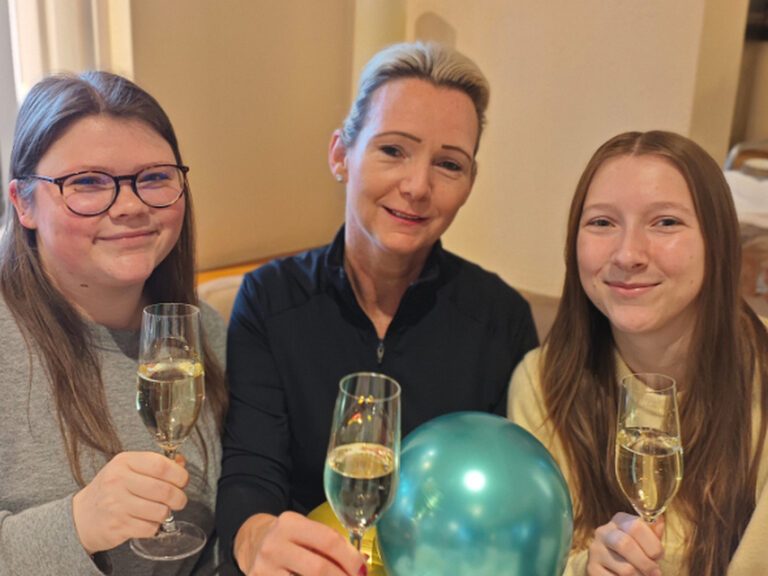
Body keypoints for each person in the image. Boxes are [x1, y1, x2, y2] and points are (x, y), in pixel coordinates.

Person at [217, 41, 538, 576]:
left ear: (469, 186)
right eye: (393, 150)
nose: (417, 187)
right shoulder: (269, 300)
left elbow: (512, 499)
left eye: (448, 164)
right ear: (342, 154)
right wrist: (256, 541)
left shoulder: (501, 319)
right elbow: (251, 471)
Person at [508, 130, 768, 576]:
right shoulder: (543, 382)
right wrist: (586, 567)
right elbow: (533, 562)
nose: (628, 254)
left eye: (665, 222)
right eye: (602, 223)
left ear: (718, 241)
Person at [0, 71, 228, 575]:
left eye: (154, 178)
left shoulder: (205, 333)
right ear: (23, 203)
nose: (130, 206)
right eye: (86, 182)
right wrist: (76, 522)